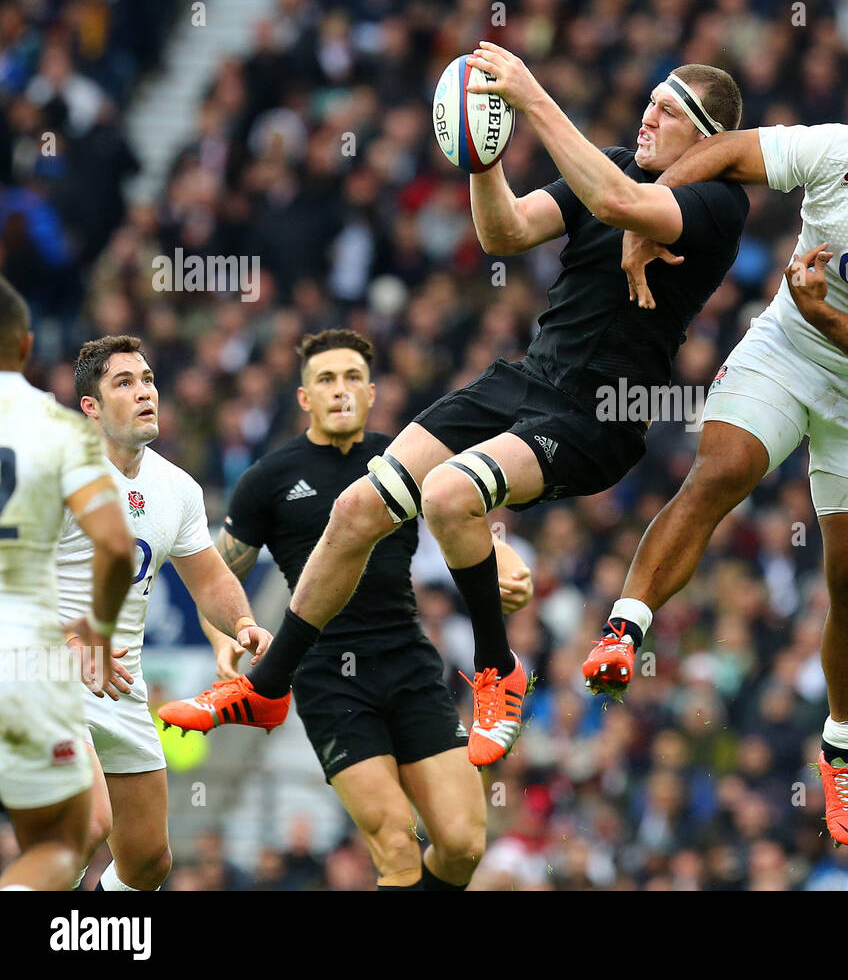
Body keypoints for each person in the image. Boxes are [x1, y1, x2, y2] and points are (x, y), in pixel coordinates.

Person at [161, 45, 748, 770]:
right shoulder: (617, 162)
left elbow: (618, 204)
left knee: (447, 496)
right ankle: (268, 686)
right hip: (527, 380)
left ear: (709, 139)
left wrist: (531, 96)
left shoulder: (718, 204)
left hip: (597, 415)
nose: (649, 114)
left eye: (670, 110)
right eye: (652, 98)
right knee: (354, 510)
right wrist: (484, 154)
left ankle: (499, 671)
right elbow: (506, 232)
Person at [584, 57, 848, 847]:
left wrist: (824, 311)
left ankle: (843, 747)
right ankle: (624, 629)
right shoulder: (841, 151)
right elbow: (731, 151)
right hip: (788, 349)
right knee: (720, 470)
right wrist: (652, 208)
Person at [194, 329, 532, 890]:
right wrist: (222, 637)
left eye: (353, 378)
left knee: (464, 844)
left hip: (410, 663)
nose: (340, 390)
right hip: (328, 677)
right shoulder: (267, 480)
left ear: (372, 392)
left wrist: (503, 556)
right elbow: (211, 574)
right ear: (304, 397)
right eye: (325, 379)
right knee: (397, 846)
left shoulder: (402, 459)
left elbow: (464, 507)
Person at [57, 335, 272, 890]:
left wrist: (244, 625)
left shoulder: (177, 488)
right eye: (123, 383)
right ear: (91, 407)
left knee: (148, 863)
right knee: (86, 823)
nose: (144, 391)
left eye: (148, 379)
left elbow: (209, 578)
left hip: (120, 683)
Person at [0, 276, 134, 891]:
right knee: (64, 836)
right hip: (23, 652)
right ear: (26, 346)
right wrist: (100, 632)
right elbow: (114, 544)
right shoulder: (58, 430)